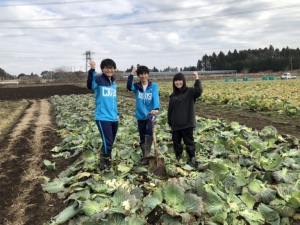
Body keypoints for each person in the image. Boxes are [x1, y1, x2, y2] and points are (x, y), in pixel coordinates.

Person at [89, 59, 119, 169]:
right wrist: (92, 70)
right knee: (108, 141)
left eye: (111, 68)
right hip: (102, 116)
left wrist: (117, 114)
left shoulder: (113, 82)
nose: (109, 70)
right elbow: (90, 85)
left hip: (113, 117)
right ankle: (106, 162)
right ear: (103, 69)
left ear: (114, 69)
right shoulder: (98, 80)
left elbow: (113, 100)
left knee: (110, 140)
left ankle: (103, 157)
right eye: (107, 67)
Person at [167, 72, 203, 167]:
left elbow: (199, 91)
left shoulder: (190, 91)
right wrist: (170, 122)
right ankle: (178, 157)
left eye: (180, 80)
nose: (178, 82)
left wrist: (197, 78)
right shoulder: (173, 96)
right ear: (174, 82)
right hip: (176, 124)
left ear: (183, 81)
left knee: (189, 142)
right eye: (176, 81)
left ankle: (192, 158)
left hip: (187, 123)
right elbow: (170, 110)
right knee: (177, 143)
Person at [127, 66, 160, 165]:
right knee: (142, 135)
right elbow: (129, 86)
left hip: (151, 114)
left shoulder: (153, 86)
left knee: (150, 130)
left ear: (148, 74)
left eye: (145, 74)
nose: (143, 76)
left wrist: (156, 108)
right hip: (140, 115)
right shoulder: (137, 87)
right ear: (139, 75)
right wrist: (132, 73)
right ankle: (145, 156)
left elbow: (155, 97)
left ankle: (148, 152)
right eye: (141, 74)